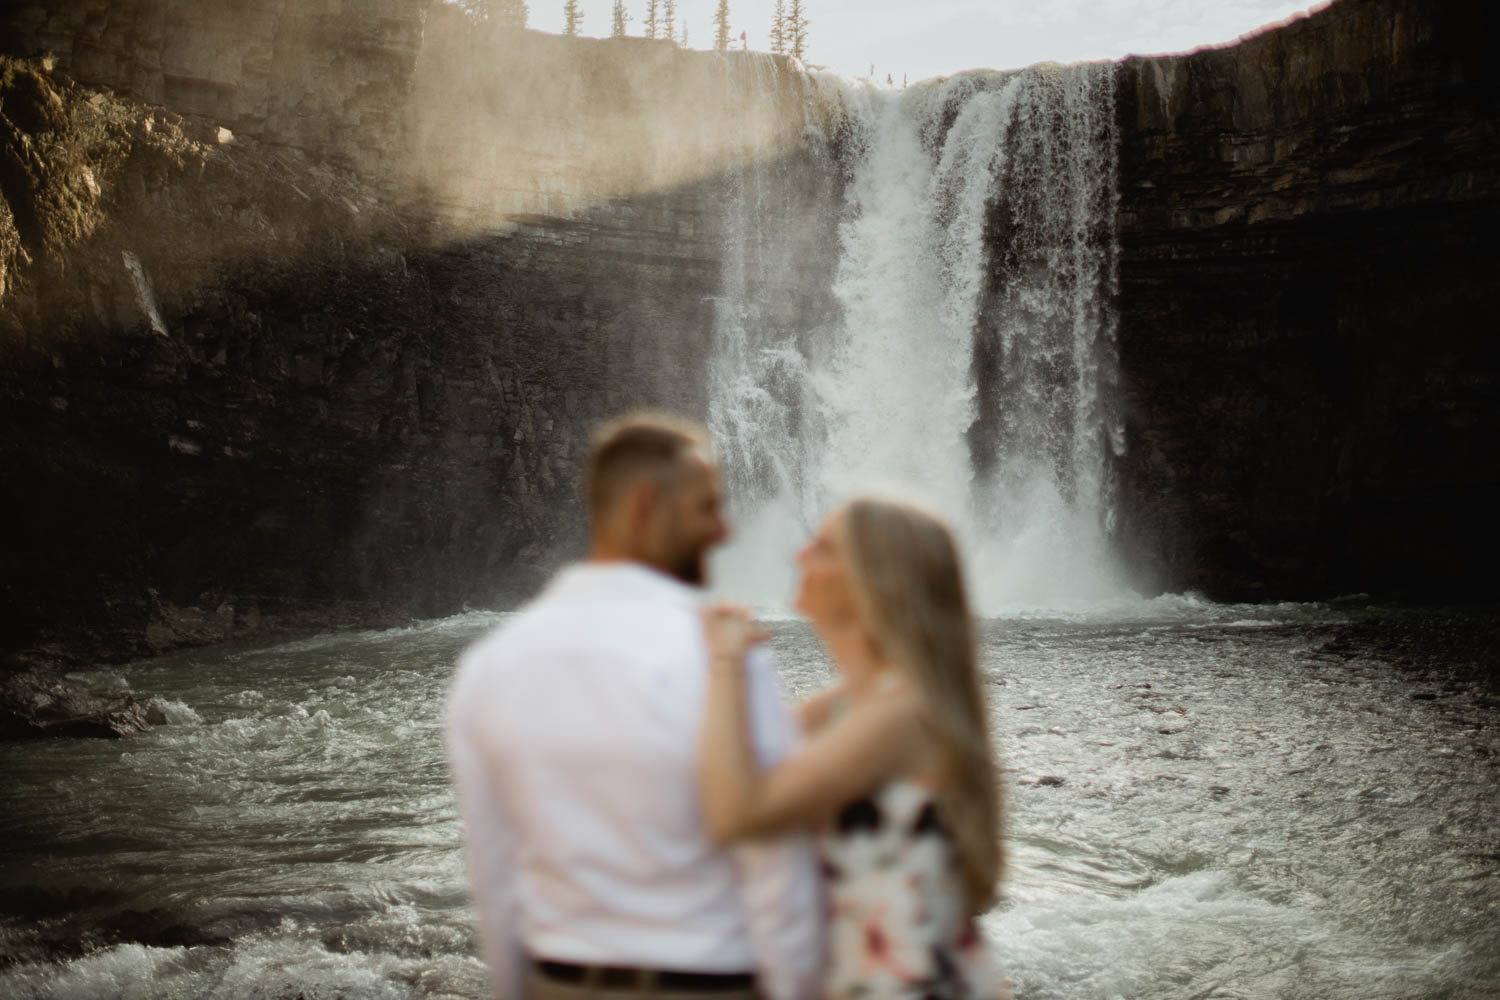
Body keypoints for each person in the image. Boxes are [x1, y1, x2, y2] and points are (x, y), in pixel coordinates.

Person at [446, 413, 824, 1000]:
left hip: (559, 983)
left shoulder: (491, 666)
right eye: (707, 508)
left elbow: (494, 878)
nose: (725, 532)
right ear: (643, 507)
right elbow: (777, 863)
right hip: (711, 985)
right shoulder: (722, 655)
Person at [698, 498, 1004, 999]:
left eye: (821, 549)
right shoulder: (853, 704)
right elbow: (726, 767)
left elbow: (739, 811)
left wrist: (726, 661)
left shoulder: (902, 713)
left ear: (872, 581)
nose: (797, 556)